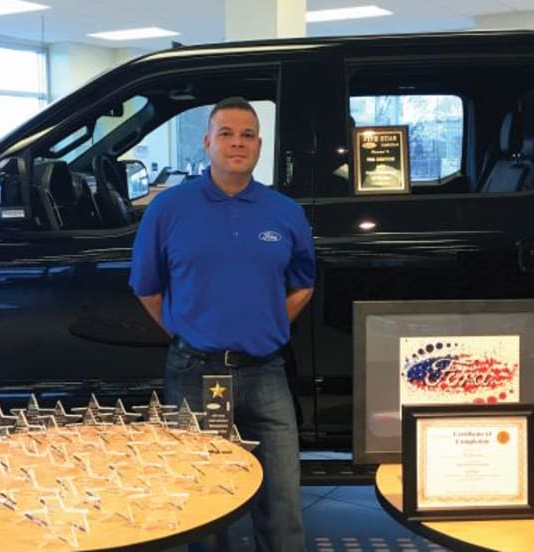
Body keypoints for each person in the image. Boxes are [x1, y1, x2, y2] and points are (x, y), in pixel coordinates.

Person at [129, 96, 315, 551]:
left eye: (248, 135)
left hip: (266, 371)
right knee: (205, 507)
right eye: (226, 134)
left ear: (259, 145)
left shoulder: (285, 211)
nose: (237, 143)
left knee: (283, 505)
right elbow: (147, 288)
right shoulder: (169, 209)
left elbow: (303, 285)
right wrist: (185, 331)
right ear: (207, 142)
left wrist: (267, 325)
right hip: (194, 372)